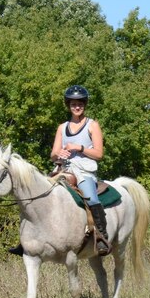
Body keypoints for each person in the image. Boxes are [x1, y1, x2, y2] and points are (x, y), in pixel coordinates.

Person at [8, 84, 110, 256]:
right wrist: (59, 154)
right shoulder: (62, 128)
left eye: (80, 103)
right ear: (68, 105)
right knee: (36, 194)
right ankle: (26, 240)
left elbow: (99, 154)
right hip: (64, 169)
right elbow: (53, 155)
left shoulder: (92, 125)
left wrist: (80, 147)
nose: (77, 107)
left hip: (84, 171)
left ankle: (101, 236)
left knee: (91, 198)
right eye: (73, 104)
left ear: (84, 104)